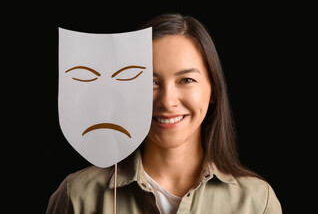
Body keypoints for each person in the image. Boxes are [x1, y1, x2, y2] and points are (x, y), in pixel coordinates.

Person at [46, 13, 282, 214]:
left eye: (186, 80)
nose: (167, 101)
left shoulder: (256, 202)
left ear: (213, 91)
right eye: (150, 81)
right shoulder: (78, 196)